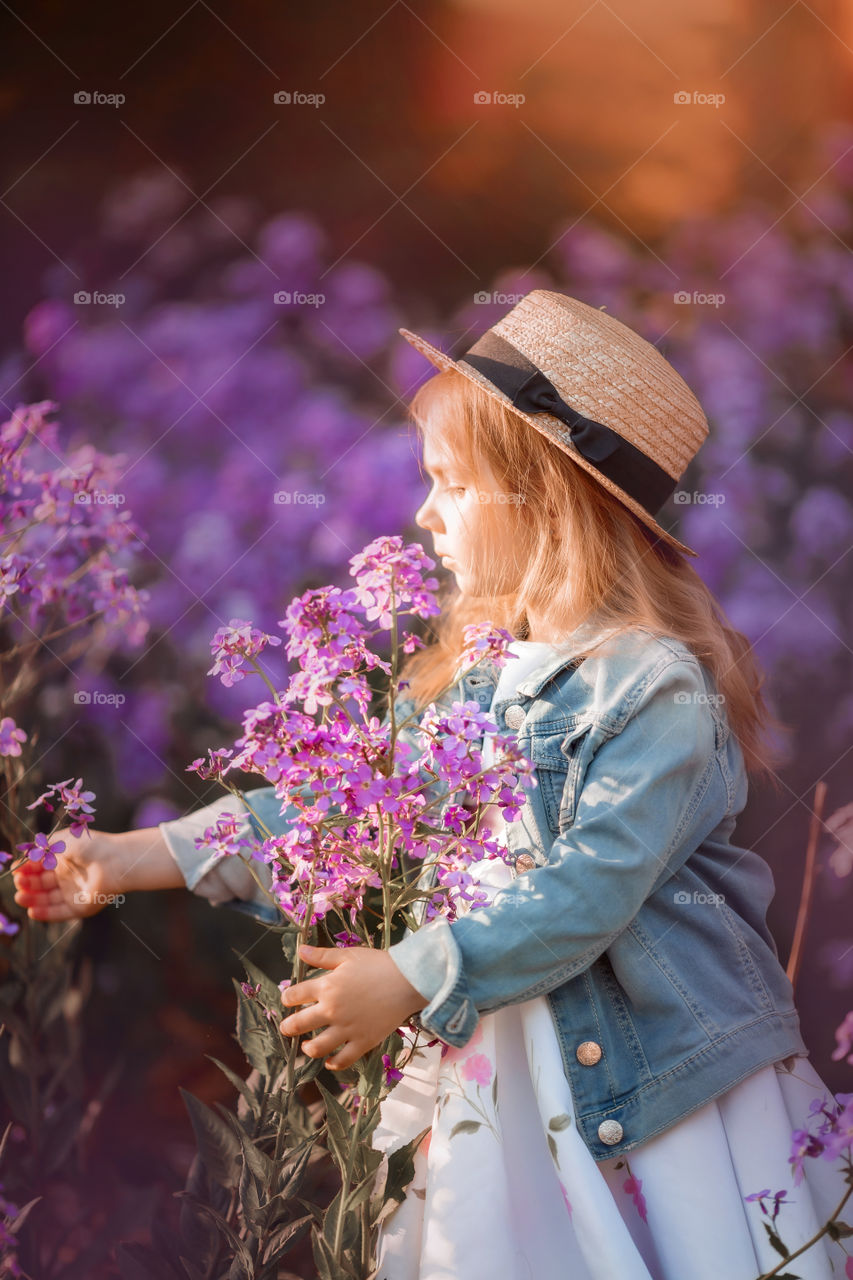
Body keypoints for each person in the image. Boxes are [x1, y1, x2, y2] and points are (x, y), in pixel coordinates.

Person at [12, 292, 851, 1279]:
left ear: (540, 495)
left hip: (666, 1092)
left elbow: (590, 887)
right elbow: (338, 815)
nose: (421, 513)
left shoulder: (650, 685)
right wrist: (132, 856)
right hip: (498, 1081)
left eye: (447, 484)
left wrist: (413, 971)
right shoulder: (478, 675)